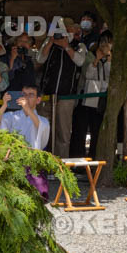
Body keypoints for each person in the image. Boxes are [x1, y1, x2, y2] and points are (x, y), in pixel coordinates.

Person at [38, 18, 87, 157]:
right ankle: (44, 164)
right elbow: (40, 59)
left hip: (66, 96)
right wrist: (51, 41)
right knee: (44, 131)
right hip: (47, 95)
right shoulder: (49, 44)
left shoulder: (79, 45)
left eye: (68, 28)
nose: (65, 31)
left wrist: (66, 46)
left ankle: (61, 166)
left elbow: (80, 61)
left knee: (63, 134)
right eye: (62, 28)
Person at [71, 33, 112, 158]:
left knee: (97, 131)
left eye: (108, 42)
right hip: (87, 98)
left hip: (102, 99)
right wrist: (96, 60)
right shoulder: (90, 55)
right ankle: (78, 159)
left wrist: (109, 58)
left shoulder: (114, 58)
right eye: (102, 41)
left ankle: (95, 158)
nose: (104, 45)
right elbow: (88, 74)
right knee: (81, 129)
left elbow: (111, 76)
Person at [0, 84, 49, 150]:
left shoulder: (43, 120)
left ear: (38, 100)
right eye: (24, 94)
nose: (26, 97)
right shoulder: (11, 116)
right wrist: (4, 105)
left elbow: (40, 126)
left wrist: (27, 108)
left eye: (31, 95)